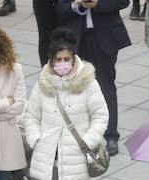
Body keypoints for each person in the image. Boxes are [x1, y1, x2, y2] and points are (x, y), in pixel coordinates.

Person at [23, 30, 108, 180]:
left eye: (66, 59)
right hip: (49, 152)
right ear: (51, 61)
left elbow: (100, 115)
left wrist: (88, 141)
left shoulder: (88, 83)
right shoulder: (42, 85)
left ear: (73, 58)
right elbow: (30, 116)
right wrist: (36, 139)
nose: (63, 64)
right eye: (58, 60)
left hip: (76, 152)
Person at [54, 0, 128, 157]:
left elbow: (123, 2)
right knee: (75, 89)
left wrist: (99, 4)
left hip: (104, 38)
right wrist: (75, 4)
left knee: (106, 86)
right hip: (76, 40)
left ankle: (111, 135)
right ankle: (79, 135)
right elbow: (60, 8)